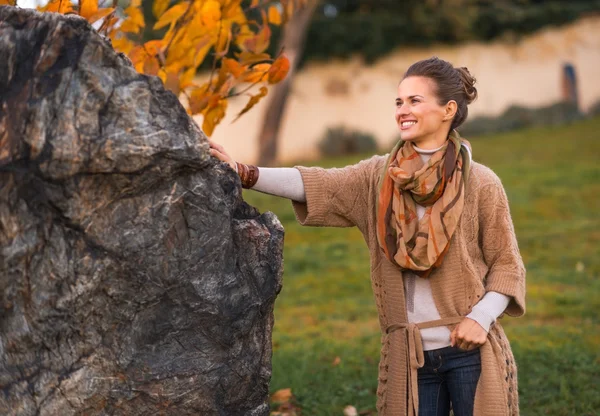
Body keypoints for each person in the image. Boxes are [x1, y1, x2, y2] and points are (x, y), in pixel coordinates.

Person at [209, 57, 526, 416]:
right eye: (399, 102)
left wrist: (480, 318)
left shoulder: (482, 183)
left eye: (415, 101)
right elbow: (315, 183)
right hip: (410, 359)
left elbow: (507, 266)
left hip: (471, 352)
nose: (402, 110)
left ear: (448, 109)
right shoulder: (377, 178)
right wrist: (244, 172)